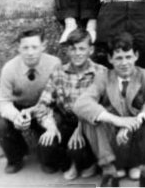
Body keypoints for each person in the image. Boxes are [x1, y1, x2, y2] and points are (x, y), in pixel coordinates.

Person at [73, 32, 145, 187]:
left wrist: (136, 121)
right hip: (112, 147)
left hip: (139, 146)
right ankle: (109, 173)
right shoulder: (103, 78)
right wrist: (118, 121)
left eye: (128, 57)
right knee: (90, 116)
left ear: (136, 56)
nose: (124, 63)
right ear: (110, 59)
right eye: (118, 58)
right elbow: (81, 103)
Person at [34, 28, 106, 181]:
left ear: (91, 50)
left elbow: (108, 107)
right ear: (67, 50)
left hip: (92, 125)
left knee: (78, 148)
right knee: (46, 146)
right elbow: (42, 104)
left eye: (82, 48)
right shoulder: (59, 72)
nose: (77, 53)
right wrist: (50, 125)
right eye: (73, 49)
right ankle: (70, 162)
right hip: (67, 121)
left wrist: (83, 126)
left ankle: (87, 162)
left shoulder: (102, 73)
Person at [0, 28, 61, 174]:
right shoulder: (9, 68)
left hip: (45, 109)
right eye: (25, 47)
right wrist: (16, 117)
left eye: (35, 47)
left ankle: (47, 157)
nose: (30, 52)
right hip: (19, 109)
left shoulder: (54, 64)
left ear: (43, 46)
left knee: (57, 127)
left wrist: (47, 119)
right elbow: (2, 101)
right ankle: (15, 158)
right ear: (19, 48)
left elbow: (57, 95)